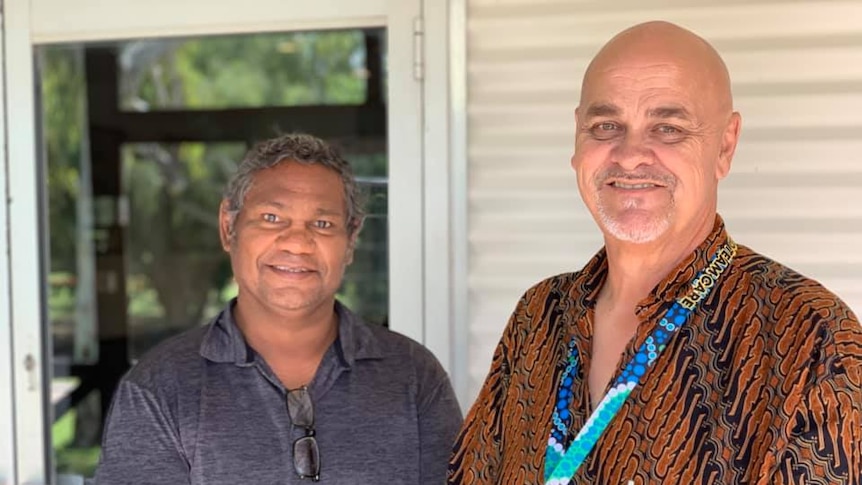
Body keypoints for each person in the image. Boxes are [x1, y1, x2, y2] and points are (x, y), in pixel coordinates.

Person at [449, 21, 862, 485]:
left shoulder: (810, 336)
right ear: (576, 139)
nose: (629, 155)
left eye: (667, 128)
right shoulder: (538, 317)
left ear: (725, 146)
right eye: (606, 126)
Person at [94, 133, 462, 484]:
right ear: (229, 226)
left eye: (322, 223)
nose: (298, 243)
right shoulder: (160, 389)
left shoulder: (414, 377)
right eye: (272, 218)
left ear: (350, 240)